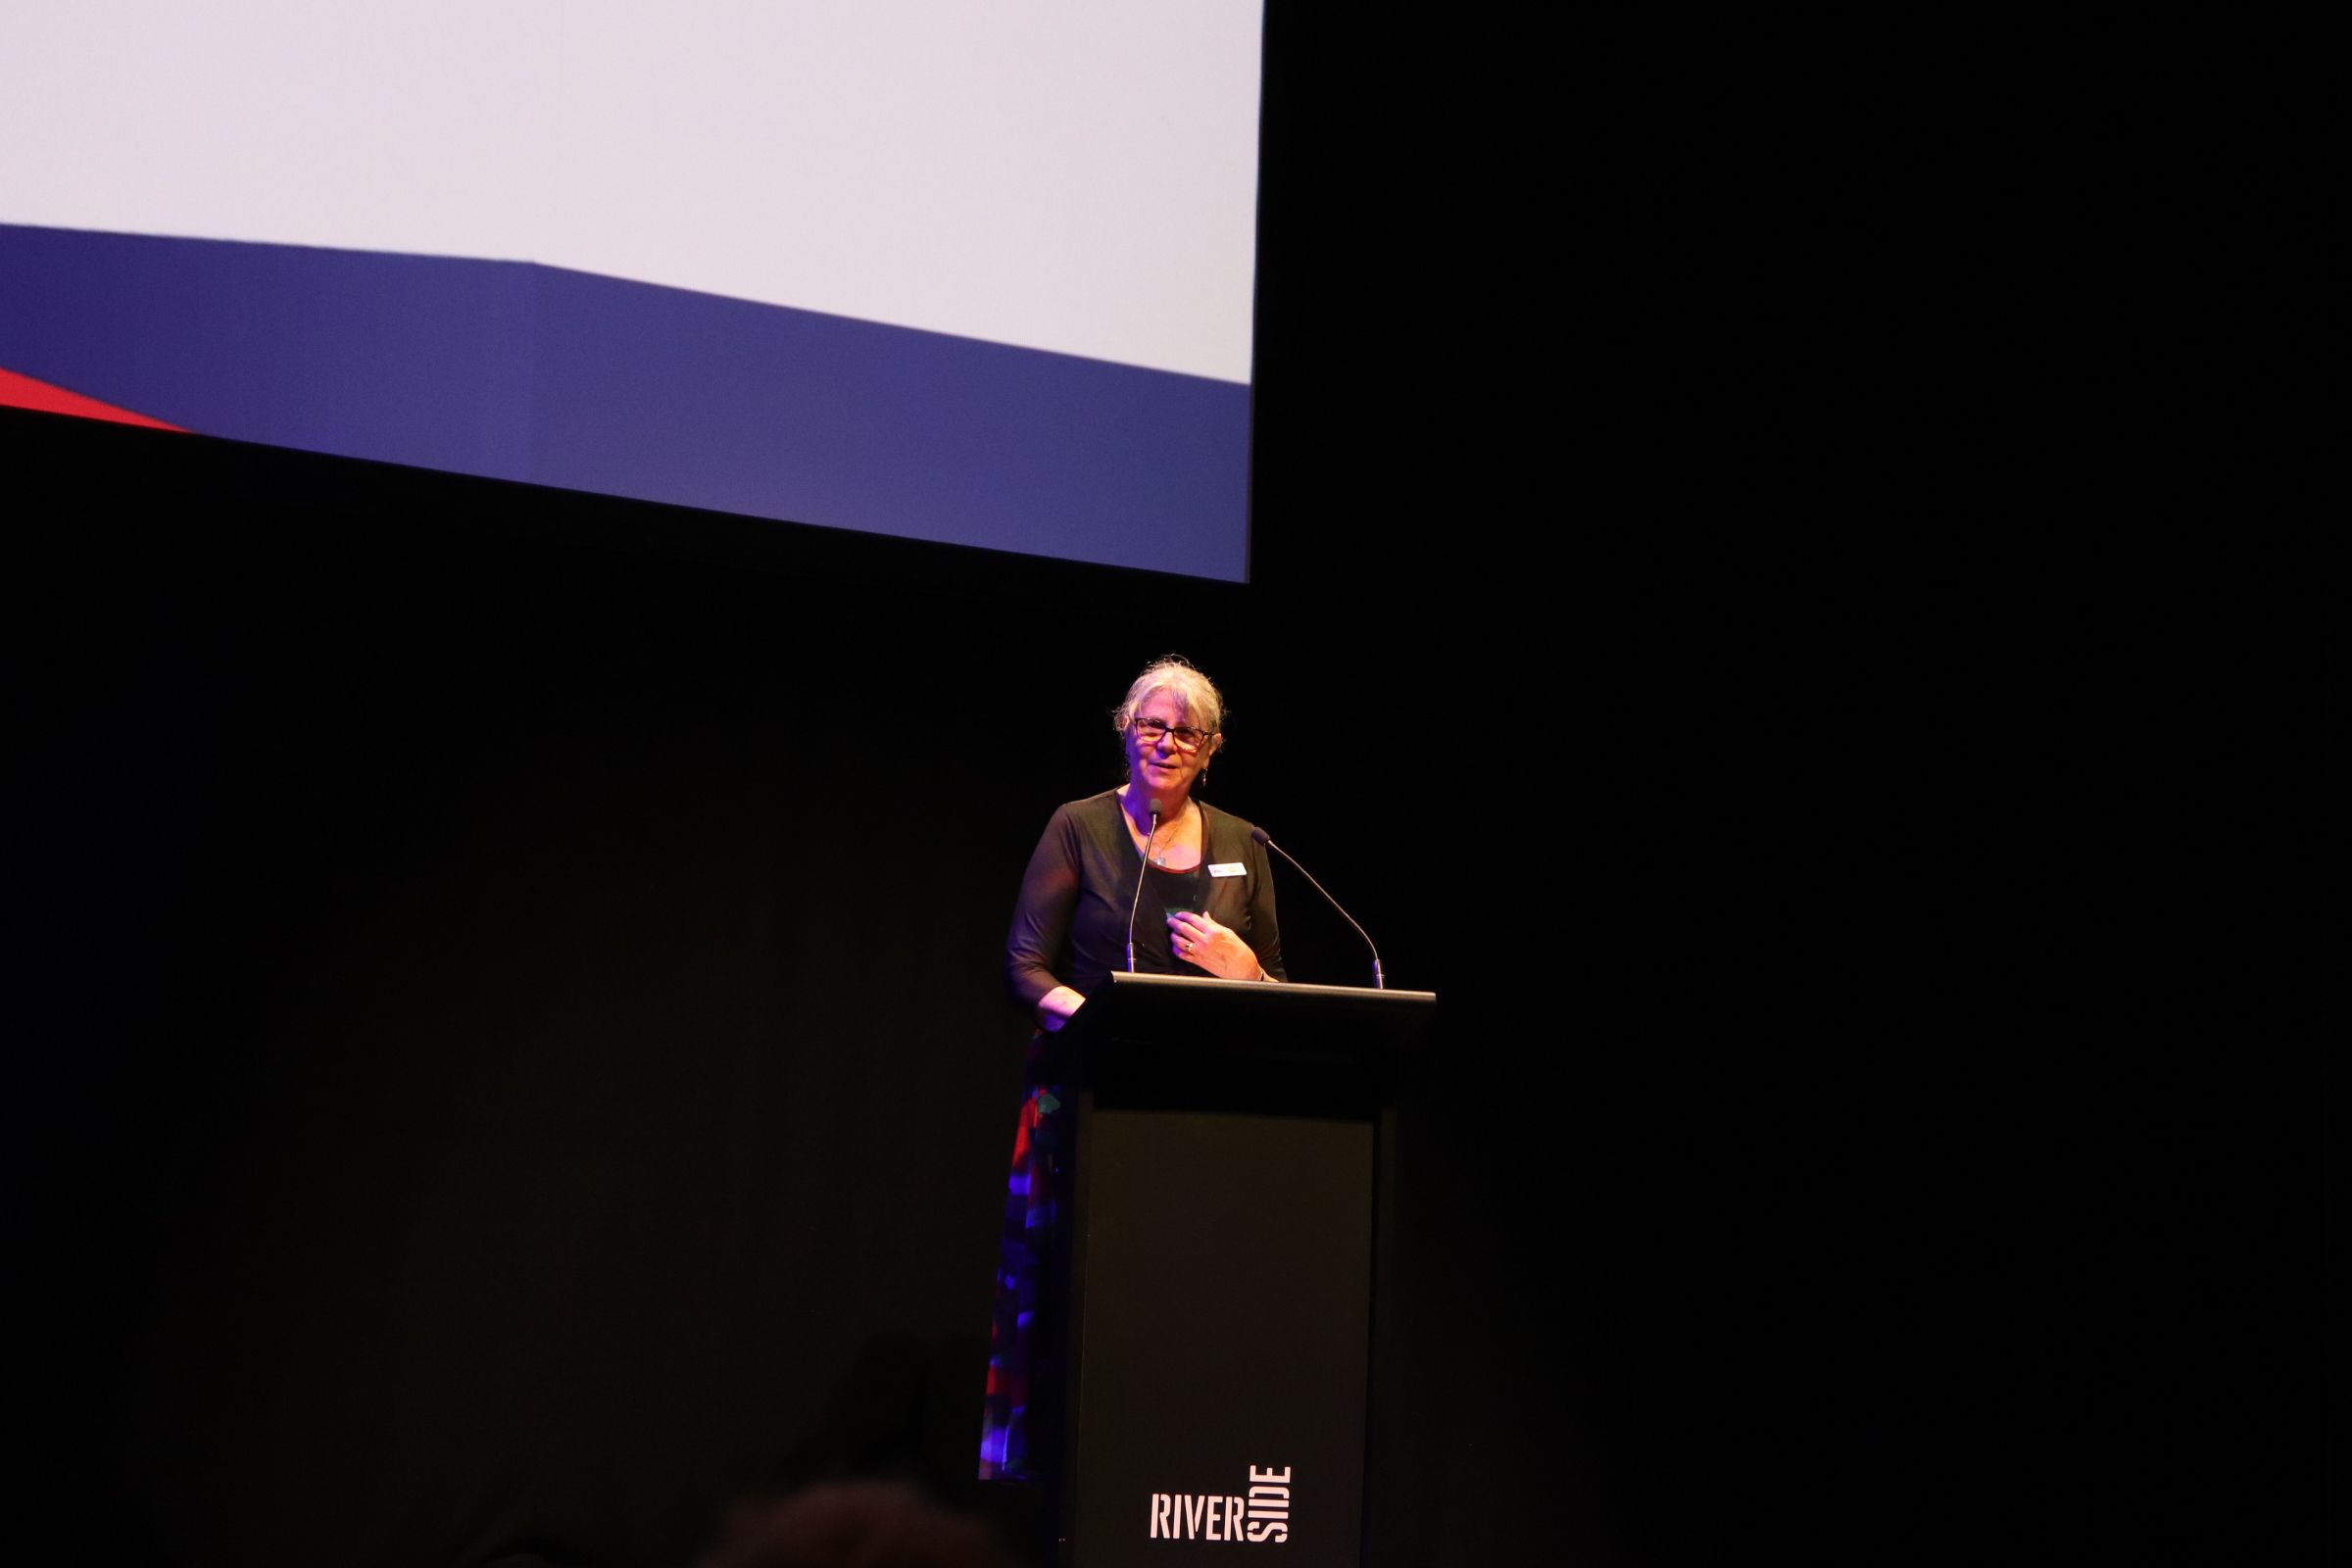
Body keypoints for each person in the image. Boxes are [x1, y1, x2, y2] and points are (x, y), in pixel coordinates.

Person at [977, 657, 1285, 1482]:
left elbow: (1279, 993)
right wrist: (1095, 1022)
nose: (1168, 742)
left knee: (1187, 1293)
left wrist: (1247, 971)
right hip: (1087, 1094)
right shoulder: (1079, 826)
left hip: (1203, 1110)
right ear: (1125, 731)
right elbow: (1023, 967)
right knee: (1086, 1295)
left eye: (1187, 732)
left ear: (1211, 749)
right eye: (1152, 725)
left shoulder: (1245, 844)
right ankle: (1073, 1466)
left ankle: (1177, 1459)